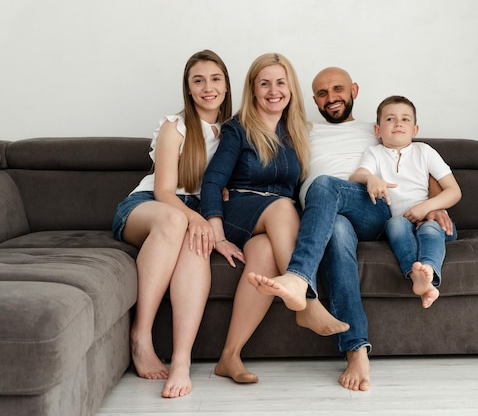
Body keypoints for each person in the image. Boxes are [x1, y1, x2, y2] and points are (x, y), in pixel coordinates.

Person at [249, 67, 453, 391]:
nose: (331, 98)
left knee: (324, 185)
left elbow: (411, 157)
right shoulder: (300, 130)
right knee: (338, 231)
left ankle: (298, 277)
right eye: (322, 93)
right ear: (313, 99)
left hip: (371, 207)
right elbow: (263, 161)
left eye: (338, 89)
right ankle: (356, 349)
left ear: (354, 90)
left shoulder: (374, 129)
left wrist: (433, 204)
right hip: (325, 216)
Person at [200, 53, 349, 384]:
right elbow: (212, 181)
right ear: (253, 90)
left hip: (272, 223)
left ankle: (229, 357)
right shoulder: (237, 129)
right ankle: (306, 304)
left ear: (291, 88)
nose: (273, 90)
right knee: (283, 207)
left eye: (280, 82)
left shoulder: (295, 132)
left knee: (266, 250)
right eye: (264, 83)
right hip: (239, 211)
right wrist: (217, 233)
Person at [112, 50, 237, 398]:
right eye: (198, 80)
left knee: (195, 246)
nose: (207, 87)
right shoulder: (176, 126)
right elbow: (165, 191)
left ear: (226, 86)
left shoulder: (234, 133)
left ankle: (181, 361)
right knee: (174, 221)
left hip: (192, 214)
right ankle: (141, 336)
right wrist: (197, 218)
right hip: (151, 206)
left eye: (215, 79)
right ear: (189, 88)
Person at [350, 95, 461, 309]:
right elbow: (356, 176)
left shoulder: (424, 151)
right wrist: (370, 178)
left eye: (405, 119)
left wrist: (426, 208)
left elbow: (454, 191)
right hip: (399, 221)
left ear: (415, 130)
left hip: (433, 220)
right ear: (378, 130)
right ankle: (415, 275)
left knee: (430, 228)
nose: (398, 123)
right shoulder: (374, 153)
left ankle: (428, 270)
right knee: (395, 224)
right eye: (390, 119)